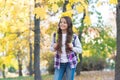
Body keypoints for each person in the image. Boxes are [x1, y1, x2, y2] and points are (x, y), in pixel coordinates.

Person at [50, 16, 82, 80]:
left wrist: (72, 47)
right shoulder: (55, 35)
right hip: (59, 62)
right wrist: (54, 47)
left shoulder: (74, 36)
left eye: (65, 22)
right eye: (61, 22)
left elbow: (80, 50)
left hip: (70, 63)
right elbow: (51, 49)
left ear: (68, 24)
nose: (62, 24)